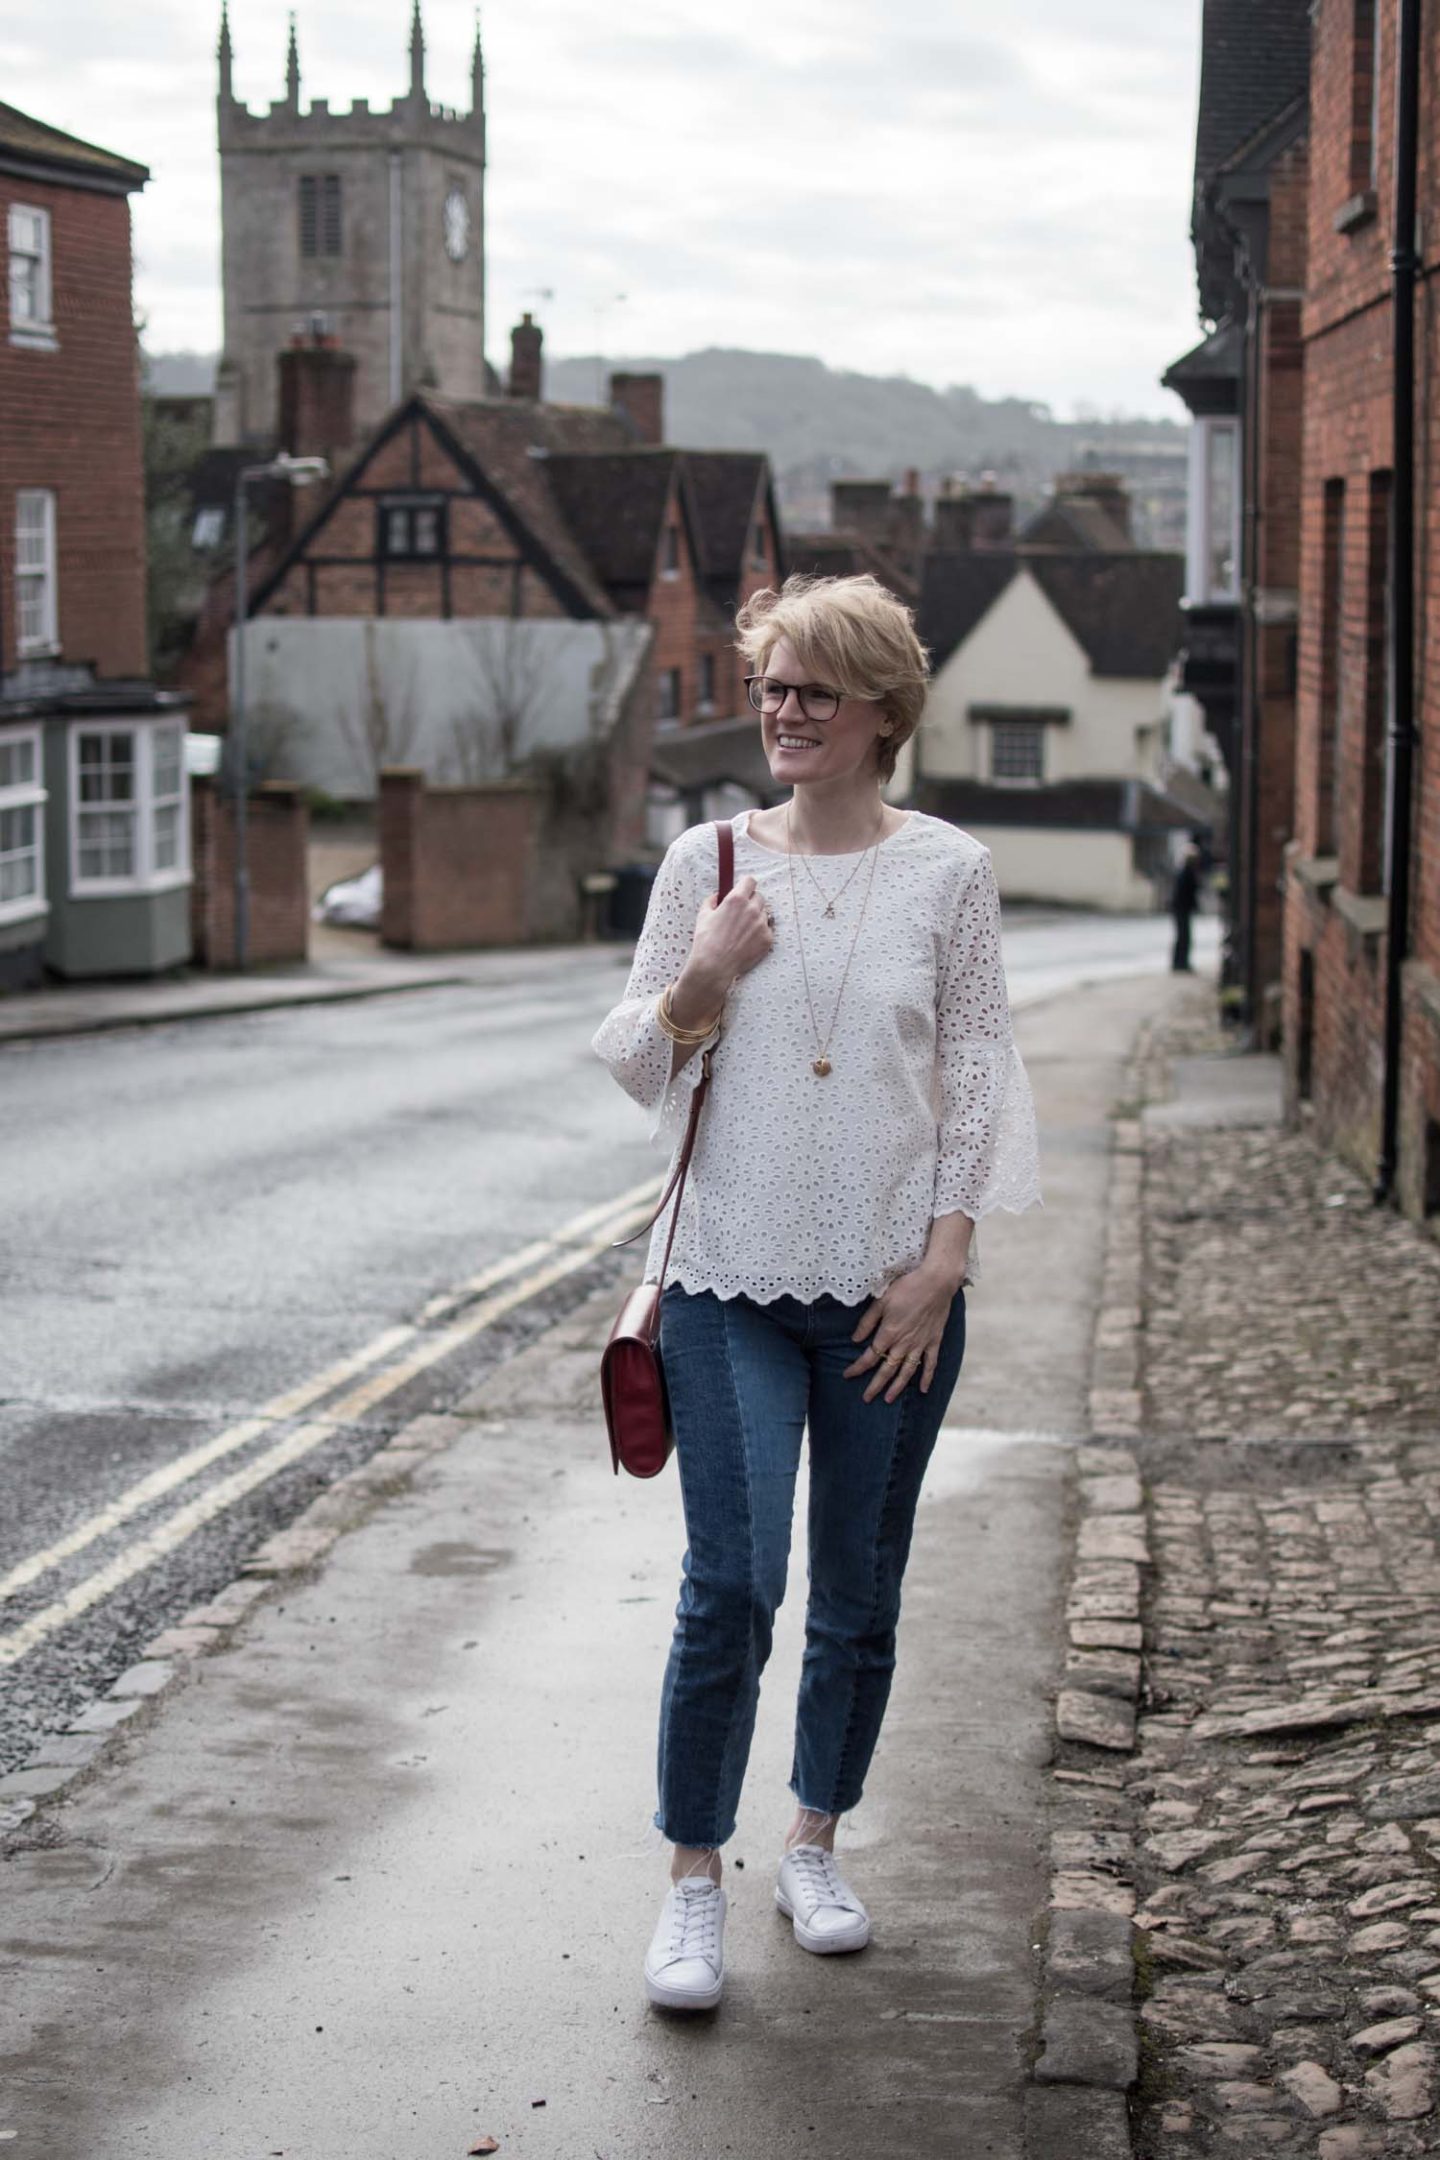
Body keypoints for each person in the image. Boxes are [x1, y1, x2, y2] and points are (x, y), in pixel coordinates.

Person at [591, 573, 1042, 2013]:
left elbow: (974, 1069)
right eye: (772, 684)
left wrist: (945, 1260)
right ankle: (689, 1883)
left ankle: (816, 1841)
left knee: (858, 1593)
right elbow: (631, 1064)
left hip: (892, 1298)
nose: (782, 710)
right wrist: (700, 983)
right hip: (728, 1280)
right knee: (734, 1586)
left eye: (813, 690)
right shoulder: (707, 861)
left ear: (882, 714)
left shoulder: (951, 873)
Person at [1170, 840, 1204, 972]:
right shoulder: (1187, 873)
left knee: (1182, 936)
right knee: (1183, 937)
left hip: (1181, 908)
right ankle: (1180, 963)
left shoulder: (1186, 872)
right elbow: (1187, 892)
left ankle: (1180, 962)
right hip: (1182, 909)